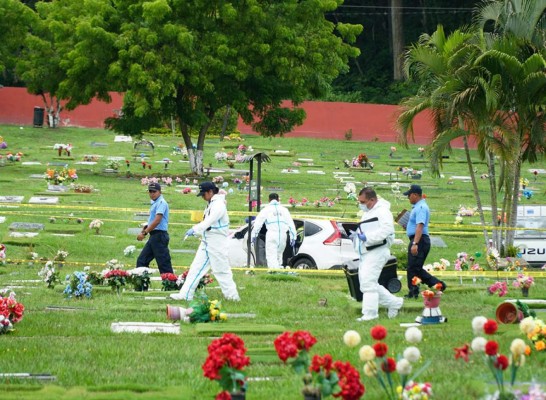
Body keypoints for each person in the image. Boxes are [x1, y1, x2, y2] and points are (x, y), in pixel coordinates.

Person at [170, 182, 240, 301]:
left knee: (221, 271)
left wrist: (195, 229)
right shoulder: (212, 203)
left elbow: (210, 221)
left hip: (217, 242)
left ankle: (233, 297)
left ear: (210, 192)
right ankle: (185, 295)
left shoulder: (218, 205)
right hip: (207, 240)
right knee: (195, 269)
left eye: (204, 194)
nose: (202, 197)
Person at [354, 188, 403, 321]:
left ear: (372, 199)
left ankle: (370, 314)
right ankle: (394, 303)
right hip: (367, 251)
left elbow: (387, 230)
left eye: (363, 202)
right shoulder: (369, 211)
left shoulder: (382, 211)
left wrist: (368, 237)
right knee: (367, 283)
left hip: (378, 250)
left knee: (368, 283)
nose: (361, 204)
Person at [403, 184, 446, 299]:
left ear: (415, 195)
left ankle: (415, 291)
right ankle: (436, 285)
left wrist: (415, 243)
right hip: (418, 239)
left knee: (413, 268)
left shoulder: (421, 208)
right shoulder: (418, 207)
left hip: (419, 240)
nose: (408, 198)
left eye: (409, 195)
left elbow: (420, 225)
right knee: (415, 268)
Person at [250, 193, 297, 270]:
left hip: (272, 234)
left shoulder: (266, 210)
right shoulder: (284, 210)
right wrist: (293, 236)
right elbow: (291, 223)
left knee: (271, 255)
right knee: (279, 254)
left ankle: (273, 271)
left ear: (269, 200)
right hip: (282, 235)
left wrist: (254, 235)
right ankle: (279, 270)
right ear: (278, 199)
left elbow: (258, 223)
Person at [136, 182, 174, 274]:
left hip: (159, 236)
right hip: (154, 236)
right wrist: (145, 229)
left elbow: (157, 220)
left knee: (164, 264)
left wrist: (144, 233)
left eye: (154, 191)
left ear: (159, 192)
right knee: (142, 261)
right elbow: (152, 220)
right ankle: (141, 286)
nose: (152, 194)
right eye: (150, 191)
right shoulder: (155, 203)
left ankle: (171, 285)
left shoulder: (161, 203)